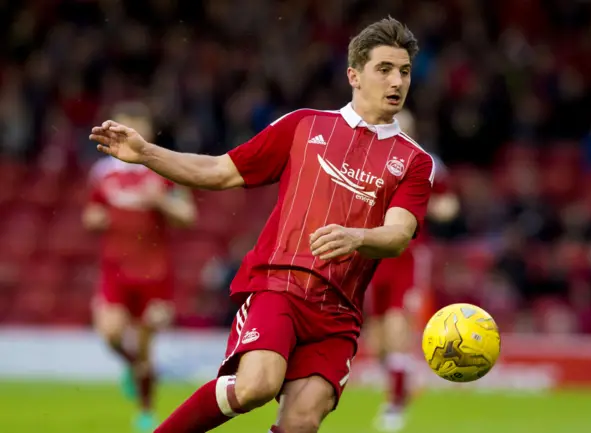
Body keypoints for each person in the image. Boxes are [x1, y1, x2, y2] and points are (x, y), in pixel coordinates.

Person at [89, 17, 434, 433]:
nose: (396, 81)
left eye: (404, 71)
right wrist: (147, 153)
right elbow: (219, 171)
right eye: (384, 69)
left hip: (338, 313)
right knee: (256, 385)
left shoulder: (415, 161)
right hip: (280, 286)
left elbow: (397, 235)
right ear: (354, 75)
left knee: (302, 420)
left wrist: (356, 236)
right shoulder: (304, 125)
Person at [83, 101, 197, 431]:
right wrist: (95, 219)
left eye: (134, 123)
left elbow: (188, 216)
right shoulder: (102, 173)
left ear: (146, 130)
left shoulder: (164, 167)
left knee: (147, 350)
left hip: (154, 274)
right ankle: (131, 366)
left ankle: (145, 413)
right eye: (120, 123)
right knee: (111, 334)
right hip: (114, 272)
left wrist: (160, 201)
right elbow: (90, 215)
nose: (126, 129)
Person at [366, 109, 459, 432]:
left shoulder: (427, 163)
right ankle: (405, 381)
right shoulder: (369, 160)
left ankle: (394, 406)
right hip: (372, 257)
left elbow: (449, 206)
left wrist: (419, 203)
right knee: (376, 342)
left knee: (396, 328)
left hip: (407, 255)